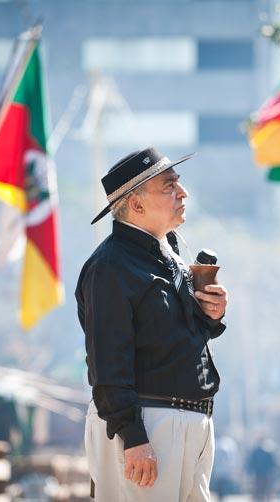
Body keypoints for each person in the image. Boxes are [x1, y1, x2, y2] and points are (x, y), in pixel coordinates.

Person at [76, 147, 229, 501]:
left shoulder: (171, 255)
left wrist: (213, 314)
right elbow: (106, 361)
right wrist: (133, 436)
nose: (183, 192)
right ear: (136, 204)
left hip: (190, 421)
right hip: (147, 425)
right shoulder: (110, 267)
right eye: (169, 186)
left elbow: (180, 341)